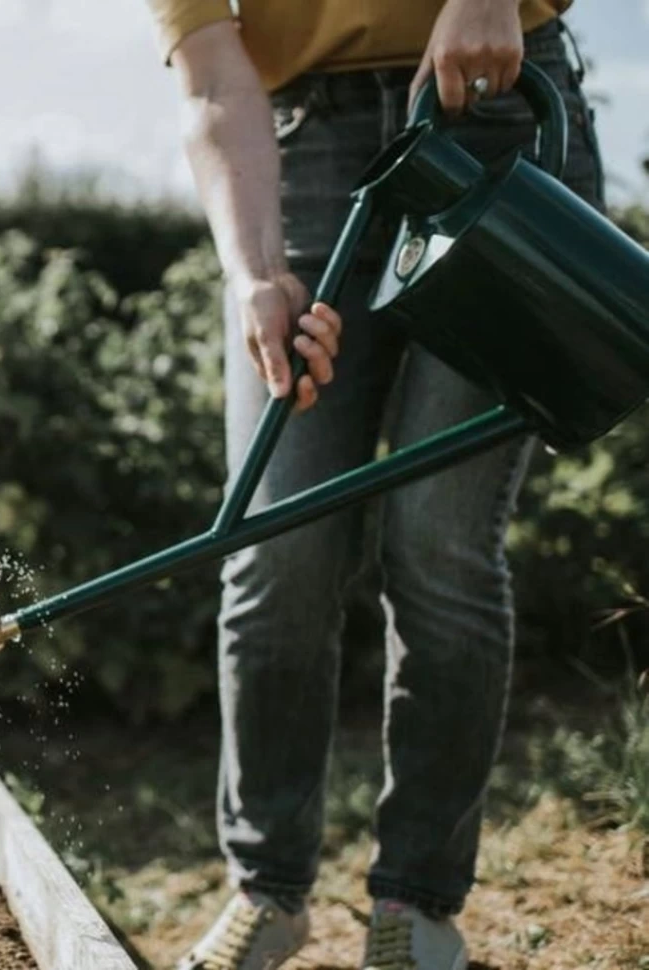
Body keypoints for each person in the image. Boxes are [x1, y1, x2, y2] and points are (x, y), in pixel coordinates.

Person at [143, 0, 603, 967]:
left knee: (436, 541)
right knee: (278, 550)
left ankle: (416, 906)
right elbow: (213, 75)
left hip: (496, 113)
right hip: (301, 156)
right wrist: (256, 274)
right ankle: (268, 891)